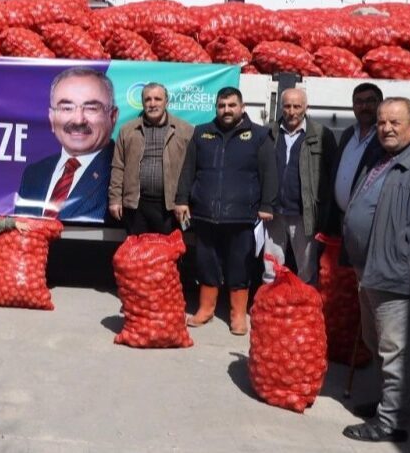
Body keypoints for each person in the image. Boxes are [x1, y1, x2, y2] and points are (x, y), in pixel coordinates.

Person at [340, 97, 410, 444]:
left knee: (394, 349)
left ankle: (389, 421)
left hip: (396, 273)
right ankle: (392, 405)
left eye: (395, 123)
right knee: (376, 342)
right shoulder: (383, 157)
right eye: (383, 122)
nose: (386, 128)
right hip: (369, 269)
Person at [177, 86, 278, 336]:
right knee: (205, 263)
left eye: (232, 105)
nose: (227, 110)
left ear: (242, 107)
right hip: (205, 213)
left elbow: (269, 173)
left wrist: (266, 205)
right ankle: (205, 309)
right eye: (222, 106)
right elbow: (188, 169)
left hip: (242, 216)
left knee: (239, 267)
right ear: (216, 108)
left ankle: (237, 315)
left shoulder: (259, 135)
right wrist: (181, 200)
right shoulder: (201, 134)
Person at [15, 67, 118, 222]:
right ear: (51, 118)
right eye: (66, 108)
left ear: (112, 116)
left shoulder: (125, 172)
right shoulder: (34, 174)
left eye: (91, 108)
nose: (78, 120)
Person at [264, 87, 337, 283]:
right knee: (271, 265)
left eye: (297, 106)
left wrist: (325, 211)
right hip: (274, 213)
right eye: (287, 106)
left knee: (307, 267)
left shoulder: (322, 135)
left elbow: (331, 175)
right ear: (281, 107)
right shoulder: (269, 132)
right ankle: (269, 305)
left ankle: (305, 309)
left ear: (306, 107)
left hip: (304, 214)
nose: (292, 111)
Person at [108, 82, 194, 236]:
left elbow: (191, 169)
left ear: (166, 101)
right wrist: (115, 199)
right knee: (137, 254)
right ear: (142, 103)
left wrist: (185, 201)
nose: (152, 104)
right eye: (148, 99)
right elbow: (118, 166)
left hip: (169, 207)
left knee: (167, 253)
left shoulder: (185, 131)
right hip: (136, 206)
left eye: (157, 99)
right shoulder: (127, 130)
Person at [327, 82, 384, 235]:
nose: (364, 106)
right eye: (359, 102)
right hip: (342, 219)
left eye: (370, 101)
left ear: (380, 104)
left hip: (370, 224)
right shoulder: (348, 134)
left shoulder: (384, 137)